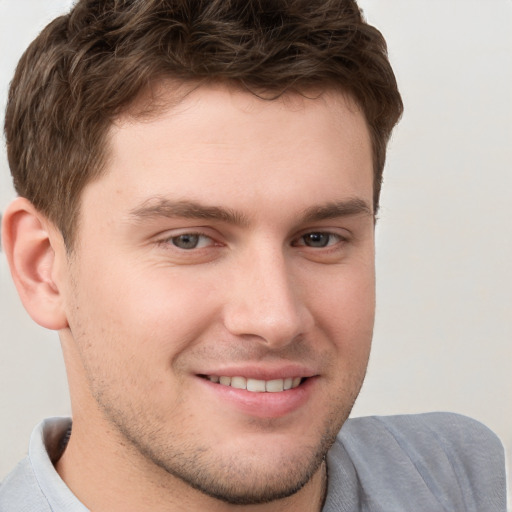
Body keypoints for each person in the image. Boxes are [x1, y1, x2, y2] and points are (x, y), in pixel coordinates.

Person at [0, 0, 506, 510]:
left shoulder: (456, 479)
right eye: (188, 240)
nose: (276, 318)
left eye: (319, 238)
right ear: (42, 268)